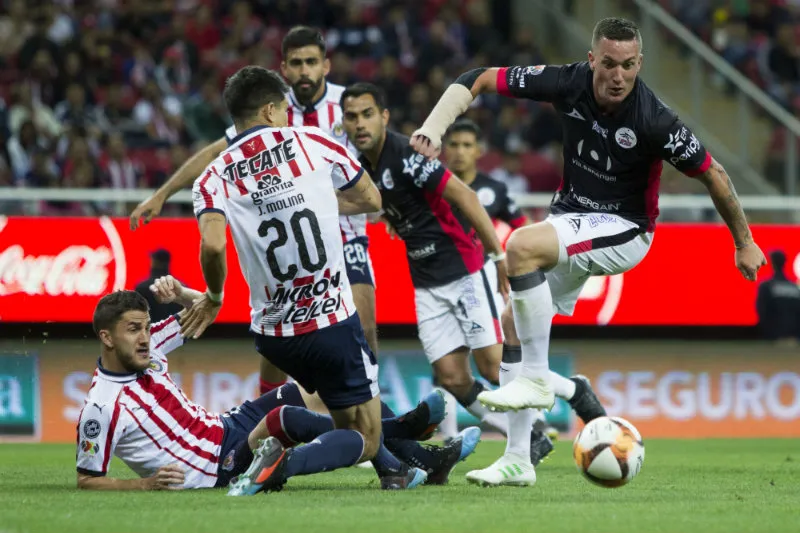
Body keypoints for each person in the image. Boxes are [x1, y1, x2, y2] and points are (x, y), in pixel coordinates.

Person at [410, 17, 767, 486]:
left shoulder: (654, 118)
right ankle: (518, 459)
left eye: (628, 66)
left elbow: (714, 174)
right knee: (513, 321)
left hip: (626, 229)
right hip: (571, 216)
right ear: (592, 59)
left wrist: (743, 241)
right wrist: (434, 128)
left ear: (639, 63)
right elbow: (475, 79)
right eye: (609, 65)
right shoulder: (566, 82)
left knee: (520, 247)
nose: (618, 76)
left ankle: (537, 377)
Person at [180, 65, 429, 494]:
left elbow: (214, 246)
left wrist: (215, 294)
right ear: (272, 109)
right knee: (365, 439)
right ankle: (281, 464)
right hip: (331, 321)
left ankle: (399, 468)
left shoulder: (212, 177)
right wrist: (319, 202)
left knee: (339, 417)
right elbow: (371, 198)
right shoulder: (313, 141)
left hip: (274, 336)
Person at [128, 26, 378, 398]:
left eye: (312, 62)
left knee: (362, 319)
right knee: (281, 325)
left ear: (326, 66)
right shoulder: (269, 106)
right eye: (297, 63)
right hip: (284, 231)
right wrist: (163, 193)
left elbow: (379, 151)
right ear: (285, 68)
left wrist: (385, 200)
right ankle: (276, 415)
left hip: (346, 230)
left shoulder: (350, 105)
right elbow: (216, 152)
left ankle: (369, 402)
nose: (305, 70)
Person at [75, 288, 479, 491]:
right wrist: (143, 484)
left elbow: (208, 307)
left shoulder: (151, 348)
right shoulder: (102, 406)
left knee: (317, 387)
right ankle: (406, 439)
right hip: (219, 465)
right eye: (133, 330)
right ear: (106, 338)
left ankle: (405, 462)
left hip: (226, 427)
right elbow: (88, 480)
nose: (145, 338)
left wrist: (181, 293)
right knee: (286, 421)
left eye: (146, 327)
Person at [438, 118, 559, 445]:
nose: (460, 152)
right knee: (447, 369)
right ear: (444, 149)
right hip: (438, 281)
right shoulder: (431, 187)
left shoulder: (494, 190)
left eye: (467, 145)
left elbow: (523, 229)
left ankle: (532, 423)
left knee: (492, 368)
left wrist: (515, 262)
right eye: (454, 144)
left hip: (481, 285)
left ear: (479, 151)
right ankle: (451, 438)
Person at [756, 250, 800, 344]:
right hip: (794, 339)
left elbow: (762, 311)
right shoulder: (795, 287)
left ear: (772, 263)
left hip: (773, 339)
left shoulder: (766, 286)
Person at [134, 249, 182, 322]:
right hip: (176, 331)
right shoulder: (181, 287)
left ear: (154, 261)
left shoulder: (142, 287)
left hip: (152, 331)